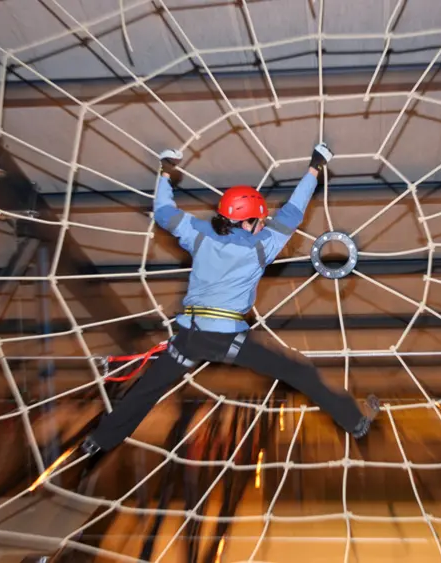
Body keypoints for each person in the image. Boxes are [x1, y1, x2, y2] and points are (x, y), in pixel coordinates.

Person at [80, 143, 379, 460]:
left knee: (145, 391)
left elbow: (164, 212)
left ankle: (99, 440)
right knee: (298, 372)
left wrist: (164, 172)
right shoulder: (262, 246)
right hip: (227, 340)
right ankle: (354, 422)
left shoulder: (199, 233)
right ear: (248, 222)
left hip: (189, 339)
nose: (263, 225)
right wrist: (314, 169)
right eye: (259, 221)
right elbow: (293, 211)